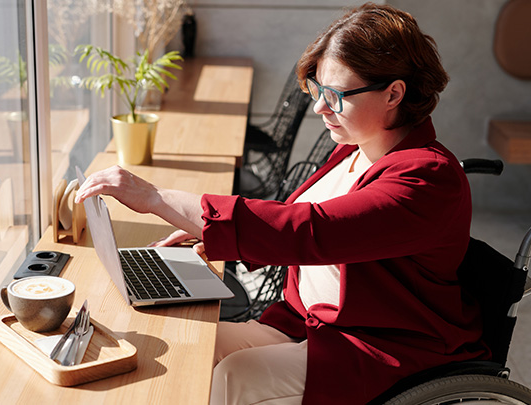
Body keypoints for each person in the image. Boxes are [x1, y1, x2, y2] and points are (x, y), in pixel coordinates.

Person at [74, 3, 489, 404]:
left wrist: (156, 199)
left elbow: (311, 230)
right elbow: (300, 219)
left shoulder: (427, 178)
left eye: (336, 94)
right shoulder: (357, 147)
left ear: (394, 93)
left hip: (379, 345)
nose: (319, 106)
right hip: (311, 323)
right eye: (316, 89)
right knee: (188, 343)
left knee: (233, 377)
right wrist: (209, 230)